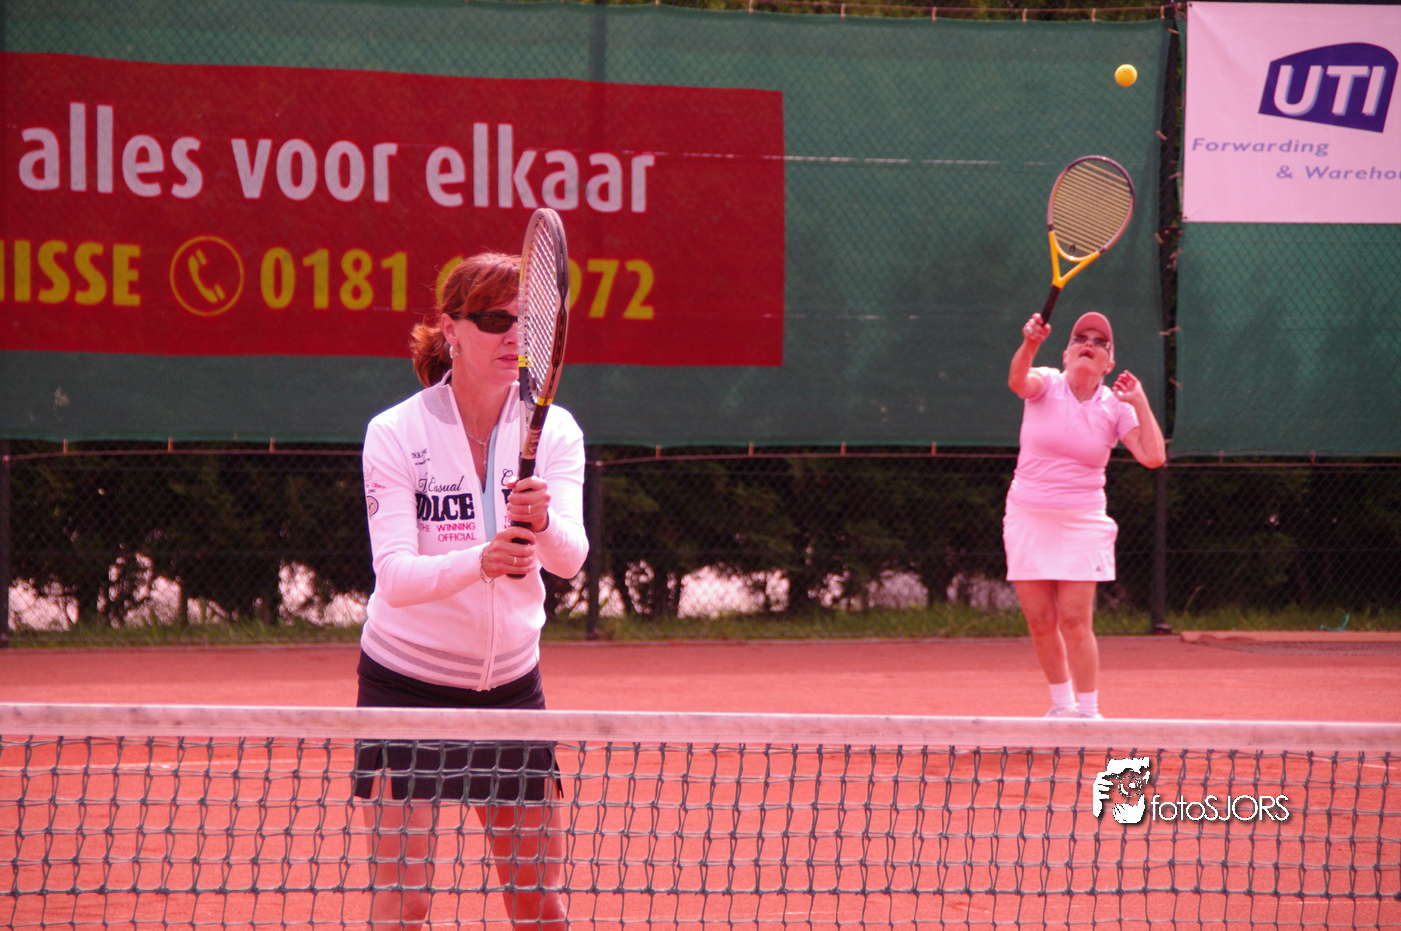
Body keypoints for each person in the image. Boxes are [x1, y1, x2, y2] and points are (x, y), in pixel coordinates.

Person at [353, 251, 588, 931]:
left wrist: (542, 522)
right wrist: (480, 561)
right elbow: (395, 577)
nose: (513, 336)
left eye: (526, 321)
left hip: (512, 691)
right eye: (493, 320)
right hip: (406, 688)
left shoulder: (555, 429)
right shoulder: (396, 433)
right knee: (405, 902)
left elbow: (569, 560)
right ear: (451, 329)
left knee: (539, 905)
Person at [1005, 310, 1165, 719]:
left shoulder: (1116, 407)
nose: (1089, 344)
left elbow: (1153, 456)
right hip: (1027, 514)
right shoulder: (1046, 383)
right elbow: (1017, 381)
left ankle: (1089, 714)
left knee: (1075, 619)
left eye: (1099, 342)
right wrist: (1030, 342)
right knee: (1040, 620)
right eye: (1080, 339)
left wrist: (1140, 402)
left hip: (1082, 519)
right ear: (1065, 354)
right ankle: (1062, 707)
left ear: (1109, 364)